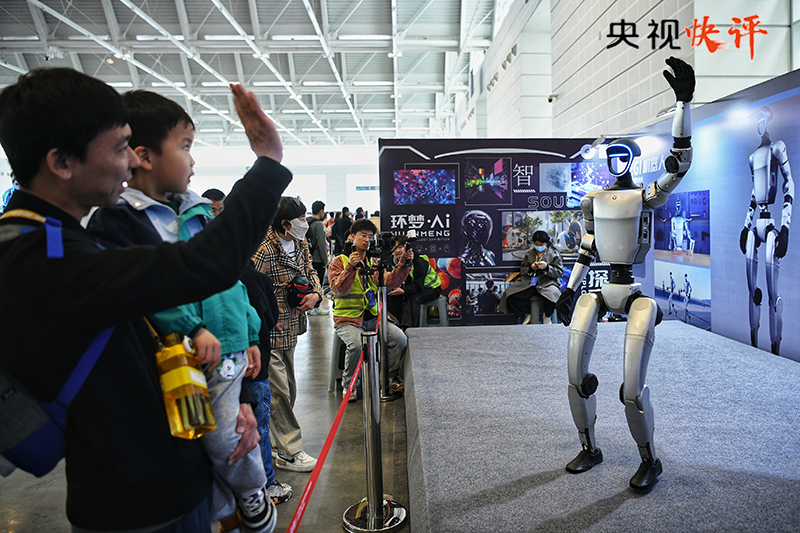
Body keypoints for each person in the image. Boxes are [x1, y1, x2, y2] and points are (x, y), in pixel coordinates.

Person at [0, 68, 289, 532]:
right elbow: (201, 267)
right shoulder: (41, 258)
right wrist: (269, 165)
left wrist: (224, 406)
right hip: (140, 502)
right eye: (118, 148)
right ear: (61, 162)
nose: (129, 164)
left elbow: (153, 350)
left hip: (165, 473)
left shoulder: (55, 240)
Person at [86, 89, 276, 532]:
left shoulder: (197, 216)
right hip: (176, 372)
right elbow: (155, 295)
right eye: (185, 147)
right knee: (210, 442)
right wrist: (192, 326)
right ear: (142, 156)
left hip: (225, 354)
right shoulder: (118, 223)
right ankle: (238, 504)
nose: (193, 161)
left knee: (229, 436)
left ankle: (250, 495)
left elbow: (231, 282)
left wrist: (249, 337)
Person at [554, 57, 694, 491]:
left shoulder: (645, 195)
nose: (616, 159)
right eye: (609, 153)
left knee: (631, 387)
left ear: (631, 157)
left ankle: (649, 459)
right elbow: (585, 248)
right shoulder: (593, 200)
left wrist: (683, 105)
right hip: (597, 292)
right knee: (577, 376)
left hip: (634, 294)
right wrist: (567, 290)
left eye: (622, 153)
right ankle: (589, 446)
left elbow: (681, 162)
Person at [252, 197, 323, 473]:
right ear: (284, 224)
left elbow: (311, 271)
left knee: (289, 390)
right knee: (279, 392)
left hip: (293, 326)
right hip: (269, 328)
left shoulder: (300, 243)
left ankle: (274, 442)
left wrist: (316, 294)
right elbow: (249, 284)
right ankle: (291, 450)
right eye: (301, 219)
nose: (305, 223)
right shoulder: (264, 249)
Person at [328, 219, 413, 402]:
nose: (367, 239)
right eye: (363, 235)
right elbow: (339, 289)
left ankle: (388, 378)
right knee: (357, 345)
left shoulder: (373, 261)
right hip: (348, 320)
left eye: (370, 236)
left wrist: (403, 264)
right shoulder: (338, 261)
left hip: (375, 317)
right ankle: (350, 386)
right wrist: (350, 267)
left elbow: (390, 282)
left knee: (400, 339)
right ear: (352, 237)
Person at [240, 264, 294, 505]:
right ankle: (267, 485)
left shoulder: (206, 278)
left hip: (219, 368)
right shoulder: (257, 280)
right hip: (255, 365)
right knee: (259, 426)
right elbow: (269, 318)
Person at [499, 230, 563, 324]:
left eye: (541, 244)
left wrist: (547, 267)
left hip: (547, 283)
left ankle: (548, 316)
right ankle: (526, 313)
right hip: (530, 283)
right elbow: (523, 269)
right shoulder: (529, 254)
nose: (538, 247)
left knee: (552, 296)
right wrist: (530, 268)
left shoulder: (554, 254)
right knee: (511, 295)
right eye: (536, 244)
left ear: (546, 243)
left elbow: (559, 272)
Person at [387, 244, 442, 328]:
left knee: (413, 298)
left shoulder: (420, 262)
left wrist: (404, 291)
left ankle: (409, 328)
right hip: (414, 287)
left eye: (400, 247)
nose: (397, 250)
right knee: (393, 296)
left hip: (432, 289)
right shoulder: (395, 262)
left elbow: (418, 286)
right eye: (394, 248)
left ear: (407, 249)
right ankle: (394, 325)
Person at [306, 200, 330, 315]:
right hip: (318, 259)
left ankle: (311, 306)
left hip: (309, 257)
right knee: (318, 283)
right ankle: (315, 307)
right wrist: (325, 261)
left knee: (310, 283)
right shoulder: (318, 224)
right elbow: (321, 243)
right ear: (321, 211)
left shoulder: (307, 222)